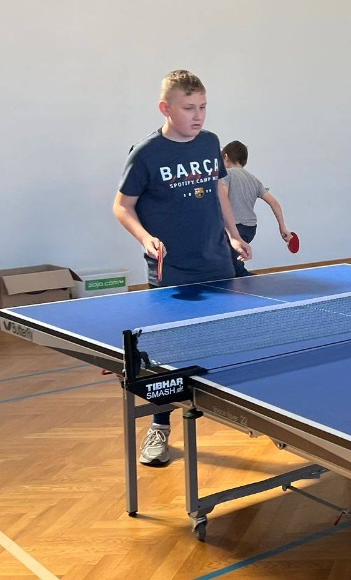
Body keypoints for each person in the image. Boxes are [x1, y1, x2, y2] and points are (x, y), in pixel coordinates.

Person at [112, 69, 252, 466]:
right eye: (189, 108)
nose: (198, 115)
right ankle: (159, 427)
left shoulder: (209, 142)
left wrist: (233, 235)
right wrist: (144, 238)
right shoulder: (146, 153)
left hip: (217, 261)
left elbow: (218, 192)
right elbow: (122, 206)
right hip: (171, 270)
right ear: (166, 108)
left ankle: (252, 410)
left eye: (203, 107)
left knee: (233, 336)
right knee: (169, 354)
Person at [221, 140, 294, 277]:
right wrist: (283, 228)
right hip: (249, 229)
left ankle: (256, 285)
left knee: (235, 270)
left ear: (225, 157)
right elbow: (274, 203)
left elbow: (222, 199)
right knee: (229, 264)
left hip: (234, 228)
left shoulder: (226, 175)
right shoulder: (254, 179)